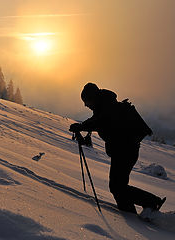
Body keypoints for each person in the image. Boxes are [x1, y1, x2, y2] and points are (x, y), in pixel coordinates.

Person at [69, 83, 165, 214]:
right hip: (123, 150)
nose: (86, 105)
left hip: (125, 151)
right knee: (117, 187)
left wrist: (80, 127)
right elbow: (97, 119)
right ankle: (130, 211)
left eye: (86, 101)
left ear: (93, 97)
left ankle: (151, 202)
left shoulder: (108, 107)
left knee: (117, 187)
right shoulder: (104, 105)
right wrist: (81, 126)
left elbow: (99, 121)